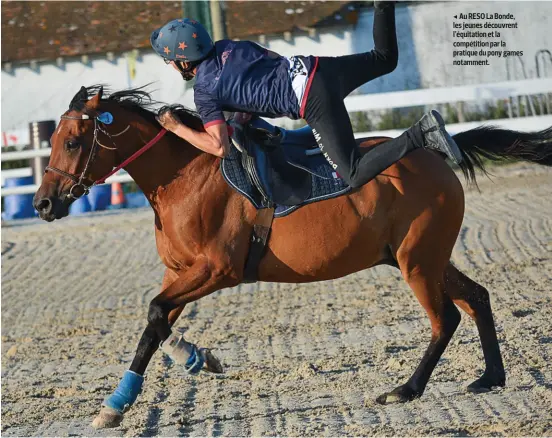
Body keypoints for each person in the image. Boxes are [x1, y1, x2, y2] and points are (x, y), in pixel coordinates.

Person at [150, 2, 463, 189]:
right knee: (384, 58)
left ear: (185, 61)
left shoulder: (205, 92)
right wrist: (246, 106)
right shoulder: (231, 46)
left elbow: (218, 146)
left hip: (312, 99)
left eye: (170, 59)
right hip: (316, 68)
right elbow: (270, 59)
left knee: (352, 174)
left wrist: (176, 128)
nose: (170, 64)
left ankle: (421, 133)